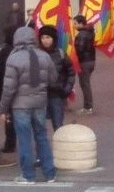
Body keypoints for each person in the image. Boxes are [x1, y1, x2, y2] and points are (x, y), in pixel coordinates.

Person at [0, 26, 57, 184]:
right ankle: (49, 173)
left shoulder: (14, 57)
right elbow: (53, 80)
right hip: (40, 102)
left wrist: (3, 108)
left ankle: (28, 175)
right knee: (42, 136)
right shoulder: (44, 56)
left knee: (24, 139)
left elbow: (8, 88)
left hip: (20, 104)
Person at [38, 25, 75, 130]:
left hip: (57, 95)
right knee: (39, 127)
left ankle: (59, 145)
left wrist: (67, 89)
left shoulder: (61, 54)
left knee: (58, 125)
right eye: (42, 38)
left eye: (48, 37)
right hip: (40, 96)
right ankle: (43, 146)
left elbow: (71, 73)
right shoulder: (36, 54)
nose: (45, 40)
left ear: (53, 39)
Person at [0, 26, 17, 166]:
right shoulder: (13, 51)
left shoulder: (5, 51)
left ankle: (10, 143)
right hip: (12, 88)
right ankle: (11, 143)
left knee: (8, 117)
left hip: (6, 87)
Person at [73, 15, 96, 114]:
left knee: (85, 84)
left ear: (81, 23)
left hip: (84, 61)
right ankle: (88, 106)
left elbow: (80, 49)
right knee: (85, 83)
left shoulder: (81, 34)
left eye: (75, 23)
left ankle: (88, 107)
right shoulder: (90, 32)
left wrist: (74, 56)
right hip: (91, 60)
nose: (74, 26)